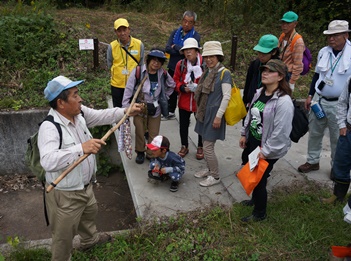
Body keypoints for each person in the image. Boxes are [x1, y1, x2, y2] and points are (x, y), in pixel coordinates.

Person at [38, 75, 143, 261]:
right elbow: (47, 160)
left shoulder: (79, 114)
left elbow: (102, 115)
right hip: (66, 195)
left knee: (89, 214)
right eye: (75, 95)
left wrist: (126, 111)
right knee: (63, 236)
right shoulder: (50, 127)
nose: (80, 99)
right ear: (61, 103)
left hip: (85, 186)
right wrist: (81, 148)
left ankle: (89, 240)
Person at [239, 59, 294, 222]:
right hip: (255, 141)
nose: (265, 73)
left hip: (269, 147)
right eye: (264, 70)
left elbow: (281, 133)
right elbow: (250, 114)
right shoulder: (260, 92)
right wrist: (244, 133)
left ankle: (260, 213)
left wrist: (266, 152)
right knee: (254, 173)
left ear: (280, 76)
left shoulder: (283, 101)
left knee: (260, 178)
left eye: (270, 71)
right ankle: (255, 200)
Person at [298, 20, 351, 178]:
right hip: (319, 98)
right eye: (329, 36)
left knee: (337, 136)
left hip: (340, 103)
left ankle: (336, 167)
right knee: (315, 132)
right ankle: (313, 160)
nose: (331, 39)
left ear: (346, 35)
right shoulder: (324, 51)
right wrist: (309, 95)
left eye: (335, 35)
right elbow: (317, 75)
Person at [122, 49, 176, 164]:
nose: (156, 63)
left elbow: (172, 85)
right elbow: (129, 89)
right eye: (154, 60)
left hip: (156, 107)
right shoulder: (138, 71)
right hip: (139, 106)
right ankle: (140, 151)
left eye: (159, 62)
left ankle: (151, 153)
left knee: (153, 132)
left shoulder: (163, 73)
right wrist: (126, 107)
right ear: (148, 60)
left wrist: (165, 97)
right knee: (140, 131)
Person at [193, 41, 231, 187]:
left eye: (212, 56)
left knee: (207, 146)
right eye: (206, 56)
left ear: (218, 56)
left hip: (214, 113)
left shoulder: (224, 73)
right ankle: (209, 169)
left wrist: (218, 116)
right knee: (204, 142)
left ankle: (215, 176)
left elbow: (226, 96)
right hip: (205, 111)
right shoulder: (208, 71)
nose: (208, 59)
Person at [241, 34, 280, 164]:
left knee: (262, 139)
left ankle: (261, 168)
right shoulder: (255, 64)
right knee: (249, 137)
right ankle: (246, 163)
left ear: (274, 52)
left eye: (264, 53)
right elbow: (248, 83)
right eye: (259, 52)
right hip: (252, 106)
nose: (260, 56)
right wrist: (246, 100)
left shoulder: (278, 68)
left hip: (267, 110)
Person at [165, 11, 201, 120]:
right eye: (185, 21)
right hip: (173, 65)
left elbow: (192, 52)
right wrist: (180, 49)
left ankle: (188, 112)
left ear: (193, 23)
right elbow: (167, 48)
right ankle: (171, 110)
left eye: (190, 22)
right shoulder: (175, 32)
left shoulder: (196, 35)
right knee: (172, 87)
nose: (186, 24)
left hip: (187, 68)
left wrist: (175, 47)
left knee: (186, 88)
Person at [173, 37, 204, 159]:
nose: (188, 52)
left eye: (191, 49)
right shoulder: (180, 65)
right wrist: (182, 88)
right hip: (184, 100)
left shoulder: (204, 64)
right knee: (183, 125)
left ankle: (200, 146)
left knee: (200, 124)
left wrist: (199, 87)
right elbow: (175, 80)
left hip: (199, 101)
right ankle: (184, 145)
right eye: (186, 50)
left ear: (197, 51)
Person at [322, 77, 351, 204]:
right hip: (348, 131)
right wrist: (342, 124)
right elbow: (343, 101)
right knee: (341, 164)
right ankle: (337, 197)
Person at [107, 18, 145, 108]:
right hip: (117, 84)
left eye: (124, 30)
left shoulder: (139, 44)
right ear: (115, 32)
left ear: (129, 29)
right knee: (118, 110)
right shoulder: (112, 46)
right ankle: (122, 122)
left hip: (134, 84)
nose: (122, 33)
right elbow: (110, 64)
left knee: (135, 109)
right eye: (119, 31)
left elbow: (141, 64)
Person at [278, 11, 305, 91]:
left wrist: (291, 82)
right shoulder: (282, 36)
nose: (284, 26)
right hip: (279, 71)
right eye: (283, 22)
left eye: (288, 23)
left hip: (288, 74)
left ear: (295, 24)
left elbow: (298, 65)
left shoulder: (298, 41)